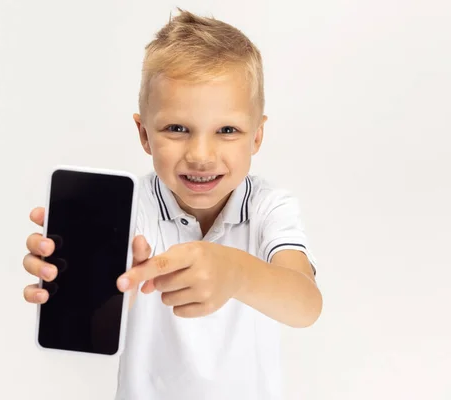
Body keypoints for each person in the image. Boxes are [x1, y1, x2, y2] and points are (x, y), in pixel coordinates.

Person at [22, 9, 322, 400]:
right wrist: (90, 288)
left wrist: (235, 272)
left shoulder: (269, 207)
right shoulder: (132, 210)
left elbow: (306, 305)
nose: (201, 154)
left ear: (257, 136)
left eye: (227, 130)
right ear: (144, 134)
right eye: (177, 129)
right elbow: (91, 329)